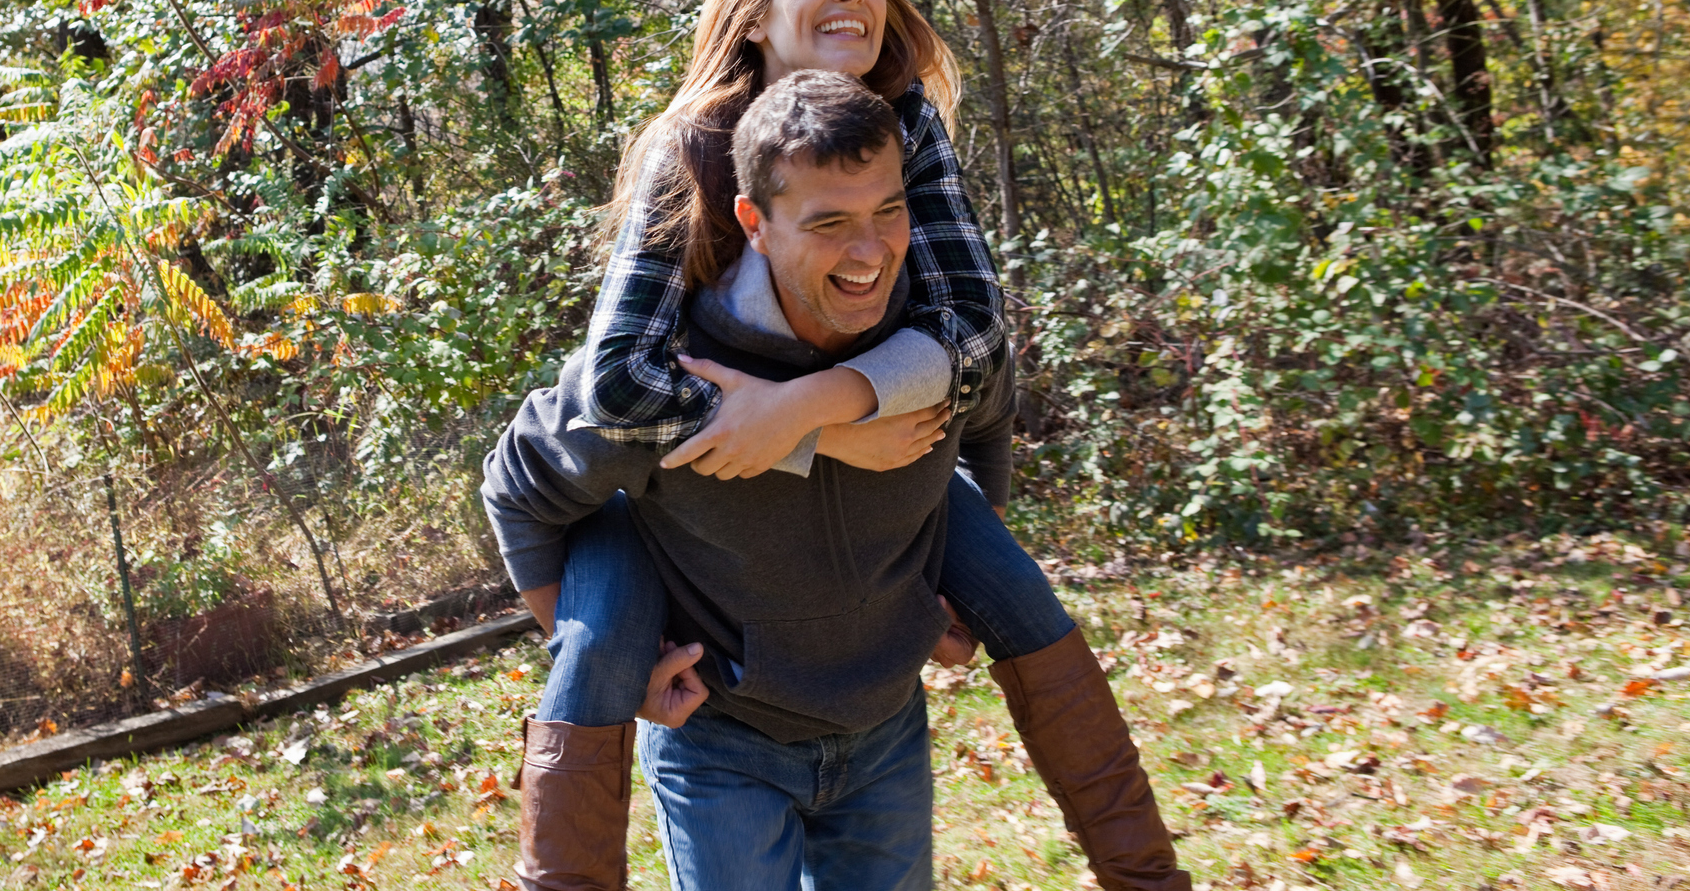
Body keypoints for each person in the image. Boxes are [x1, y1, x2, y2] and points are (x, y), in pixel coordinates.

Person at [483, 71, 1189, 891]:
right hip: (723, 745)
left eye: (887, 211)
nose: (868, 252)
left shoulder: (932, 351)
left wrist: (959, 556)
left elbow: (992, 409)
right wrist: (591, 653)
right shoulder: (660, 389)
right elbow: (516, 489)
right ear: (754, 223)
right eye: (827, 223)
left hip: (884, 728)